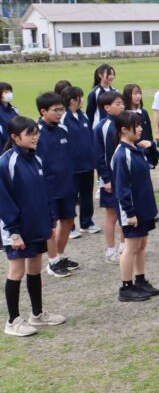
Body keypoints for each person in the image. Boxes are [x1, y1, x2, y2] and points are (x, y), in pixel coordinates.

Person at [1, 116, 66, 337]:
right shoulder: (6, 163)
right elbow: (4, 200)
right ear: (14, 137)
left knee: (35, 268)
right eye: (30, 134)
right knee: (16, 271)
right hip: (17, 229)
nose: (35, 137)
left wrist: (50, 221)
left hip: (37, 225)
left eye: (36, 133)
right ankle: (12, 321)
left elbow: (44, 193)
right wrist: (14, 232)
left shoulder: (36, 159)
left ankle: (37, 314)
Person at [111, 111, 159, 302]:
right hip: (132, 209)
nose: (140, 129)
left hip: (144, 206)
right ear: (124, 130)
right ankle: (126, 286)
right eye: (136, 126)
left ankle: (140, 280)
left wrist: (151, 147)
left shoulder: (136, 149)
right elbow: (121, 187)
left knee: (141, 244)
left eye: (140, 125)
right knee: (131, 247)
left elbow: (152, 162)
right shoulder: (122, 154)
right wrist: (129, 212)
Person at [35, 92, 79, 279]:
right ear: (43, 111)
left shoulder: (63, 129)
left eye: (62, 109)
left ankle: (59, 256)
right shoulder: (36, 132)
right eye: (56, 110)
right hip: (48, 187)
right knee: (50, 225)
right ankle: (52, 262)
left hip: (67, 184)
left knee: (68, 220)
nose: (60, 113)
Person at [61, 87, 99, 235]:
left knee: (86, 194)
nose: (82, 100)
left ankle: (87, 222)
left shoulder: (83, 116)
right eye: (80, 97)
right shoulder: (64, 118)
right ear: (72, 100)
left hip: (87, 164)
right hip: (72, 166)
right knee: (71, 196)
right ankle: (70, 227)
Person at [94, 90, 126, 264]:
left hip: (124, 176)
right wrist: (105, 179)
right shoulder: (104, 127)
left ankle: (124, 246)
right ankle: (110, 250)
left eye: (122, 103)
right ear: (107, 107)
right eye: (118, 104)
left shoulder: (124, 123)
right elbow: (100, 156)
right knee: (112, 214)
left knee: (125, 212)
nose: (122, 106)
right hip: (110, 178)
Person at [123, 83, 159, 168]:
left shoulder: (144, 112)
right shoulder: (124, 114)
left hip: (144, 153)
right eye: (135, 94)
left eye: (139, 93)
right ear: (128, 95)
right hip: (131, 154)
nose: (138, 96)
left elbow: (149, 134)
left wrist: (150, 145)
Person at [86, 63, 117, 127]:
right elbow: (90, 113)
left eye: (112, 74)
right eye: (109, 74)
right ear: (100, 75)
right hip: (98, 126)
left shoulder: (116, 91)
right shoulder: (94, 93)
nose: (111, 77)